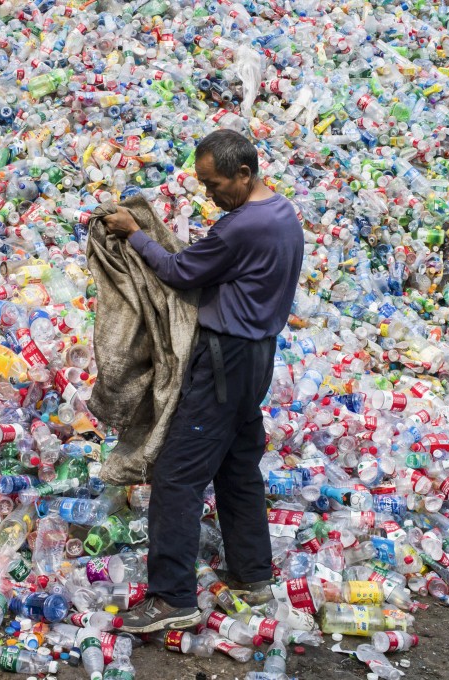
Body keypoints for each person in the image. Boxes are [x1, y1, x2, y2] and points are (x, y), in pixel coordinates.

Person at [102, 129, 304, 633]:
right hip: (258, 357)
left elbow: (176, 270)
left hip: (223, 360)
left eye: (216, 185)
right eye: (203, 185)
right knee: (238, 468)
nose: (210, 195)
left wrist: (135, 232)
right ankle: (253, 576)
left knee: (177, 476)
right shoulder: (282, 213)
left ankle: (172, 598)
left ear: (244, 173)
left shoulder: (241, 227)